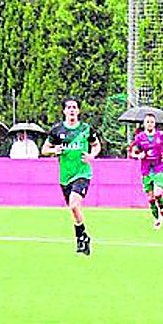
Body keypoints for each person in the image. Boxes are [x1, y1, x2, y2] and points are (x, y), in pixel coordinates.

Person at [42, 97, 99, 255]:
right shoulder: (57, 130)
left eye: (74, 107)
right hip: (65, 176)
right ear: (64, 111)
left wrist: (91, 155)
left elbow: (96, 145)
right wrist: (54, 151)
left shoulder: (86, 129)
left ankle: (80, 237)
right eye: (69, 107)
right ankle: (83, 237)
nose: (72, 110)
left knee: (74, 204)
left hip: (82, 173)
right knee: (74, 210)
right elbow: (44, 149)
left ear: (78, 111)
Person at [129, 111, 163, 229]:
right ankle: (157, 218)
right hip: (146, 170)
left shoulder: (161, 135)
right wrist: (138, 156)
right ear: (144, 124)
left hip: (158, 168)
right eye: (147, 122)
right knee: (150, 198)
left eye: (152, 122)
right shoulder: (139, 138)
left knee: (158, 193)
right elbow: (132, 152)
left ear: (154, 124)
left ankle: (162, 208)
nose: (149, 124)